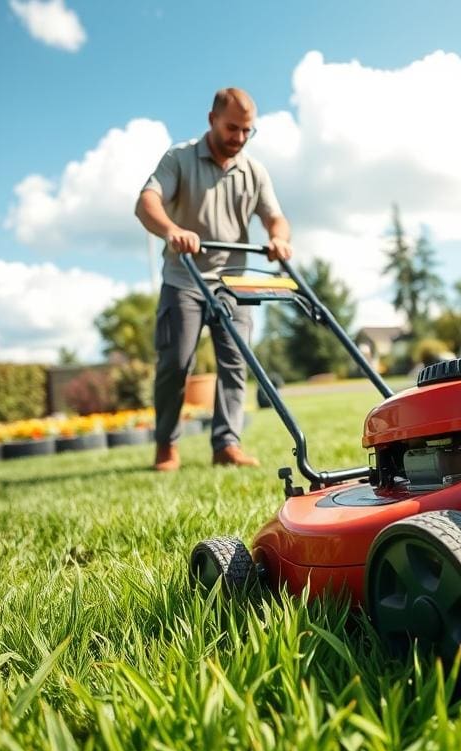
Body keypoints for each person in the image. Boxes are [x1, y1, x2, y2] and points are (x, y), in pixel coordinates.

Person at [135, 87, 293, 472]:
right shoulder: (180, 158)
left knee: (235, 361)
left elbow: (275, 217)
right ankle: (166, 446)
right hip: (184, 277)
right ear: (212, 120)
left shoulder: (253, 171)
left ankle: (227, 445)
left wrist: (278, 239)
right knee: (176, 361)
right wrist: (173, 230)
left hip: (233, 281)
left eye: (246, 131)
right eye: (232, 128)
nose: (238, 138)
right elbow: (146, 202)